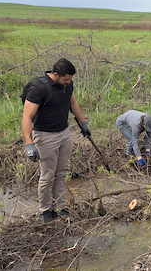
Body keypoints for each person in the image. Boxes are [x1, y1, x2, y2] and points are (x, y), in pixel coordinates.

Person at [22, 58, 91, 223]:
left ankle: (61, 206)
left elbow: (73, 103)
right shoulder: (39, 88)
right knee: (48, 175)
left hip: (64, 133)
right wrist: (29, 144)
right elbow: (27, 116)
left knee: (62, 172)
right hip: (45, 136)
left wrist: (83, 123)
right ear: (55, 74)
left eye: (70, 79)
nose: (68, 82)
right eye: (66, 79)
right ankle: (46, 210)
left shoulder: (67, 85)